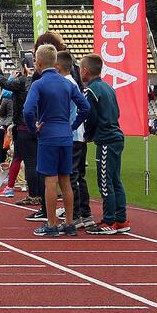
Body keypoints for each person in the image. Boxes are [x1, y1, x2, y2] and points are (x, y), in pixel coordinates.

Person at [25, 44, 90, 237]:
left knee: (50, 181)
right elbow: (85, 107)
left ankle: (52, 224)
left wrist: (33, 128)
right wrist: (72, 126)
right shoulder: (68, 84)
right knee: (66, 181)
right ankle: (69, 223)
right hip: (65, 135)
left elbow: (28, 110)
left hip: (48, 135)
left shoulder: (39, 84)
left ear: (37, 63)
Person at [80, 54, 131, 235]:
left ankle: (109, 220)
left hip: (106, 140)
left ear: (85, 70)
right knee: (116, 180)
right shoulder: (109, 88)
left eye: (80, 69)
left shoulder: (91, 90)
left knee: (105, 182)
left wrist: (88, 134)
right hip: (116, 136)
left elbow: (90, 116)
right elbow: (116, 112)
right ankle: (121, 219)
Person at [56, 51, 96, 230]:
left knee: (70, 176)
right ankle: (85, 213)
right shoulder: (72, 83)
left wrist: (71, 126)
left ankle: (77, 215)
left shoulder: (65, 84)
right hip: (78, 136)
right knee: (79, 176)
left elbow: (83, 109)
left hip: (71, 137)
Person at [0, 59, 40, 211]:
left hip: (24, 126)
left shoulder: (24, 81)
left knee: (30, 162)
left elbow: (6, 86)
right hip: (34, 125)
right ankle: (17, 187)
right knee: (21, 157)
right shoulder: (40, 81)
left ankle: (35, 194)